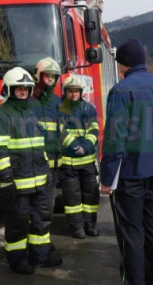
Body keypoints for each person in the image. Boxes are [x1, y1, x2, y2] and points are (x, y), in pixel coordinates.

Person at [100, 38, 153, 285]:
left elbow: (115, 139)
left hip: (130, 175)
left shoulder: (121, 90)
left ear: (123, 64)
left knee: (131, 234)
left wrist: (106, 178)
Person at [0, 67, 62, 275]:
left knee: (42, 221)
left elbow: (40, 146)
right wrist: (6, 179)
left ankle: (41, 256)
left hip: (38, 181)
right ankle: (17, 261)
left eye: (26, 88)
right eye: (18, 88)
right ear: (9, 89)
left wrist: (47, 171)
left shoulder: (31, 112)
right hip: (17, 183)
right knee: (18, 224)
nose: (23, 91)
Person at [58, 75, 100, 239]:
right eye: (71, 91)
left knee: (91, 195)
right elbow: (60, 131)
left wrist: (86, 147)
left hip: (88, 162)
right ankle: (77, 227)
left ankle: (90, 225)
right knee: (72, 197)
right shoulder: (60, 109)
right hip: (69, 162)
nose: (74, 94)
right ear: (66, 92)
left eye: (76, 91)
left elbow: (94, 129)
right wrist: (76, 147)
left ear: (81, 92)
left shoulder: (89, 109)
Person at [31, 57, 63, 216]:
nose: (50, 79)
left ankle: (43, 236)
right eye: (46, 75)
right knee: (35, 201)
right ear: (38, 76)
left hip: (54, 161)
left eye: (53, 76)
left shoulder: (58, 101)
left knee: (48, 203)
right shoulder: (29, 101)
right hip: (35, 162)